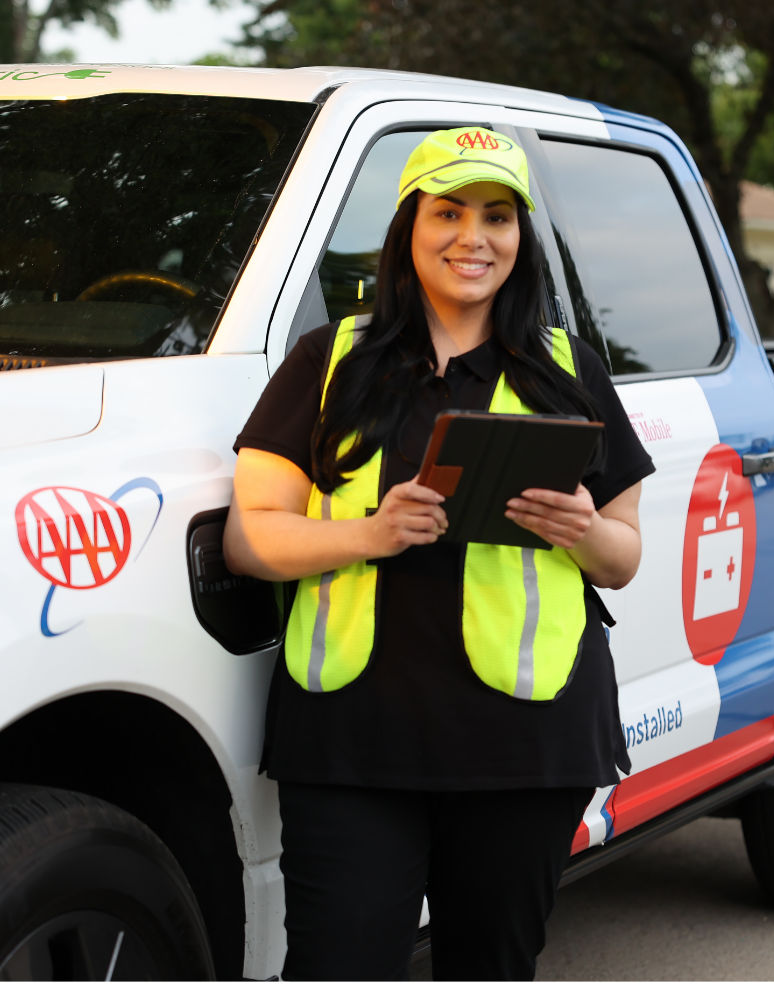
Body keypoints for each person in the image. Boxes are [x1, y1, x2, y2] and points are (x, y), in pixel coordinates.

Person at [223, 126, 655, 981]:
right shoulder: (329, 360)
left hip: (525, 745)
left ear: (521, 237)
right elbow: (249, 537)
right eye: (448, 211)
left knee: (489, 967)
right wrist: (368, 534)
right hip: (352, 740)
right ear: (407, 229)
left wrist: (581, 527)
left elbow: (623, 555)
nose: (473, 237)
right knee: (338, 966)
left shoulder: (568, 371)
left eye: (498, 216)